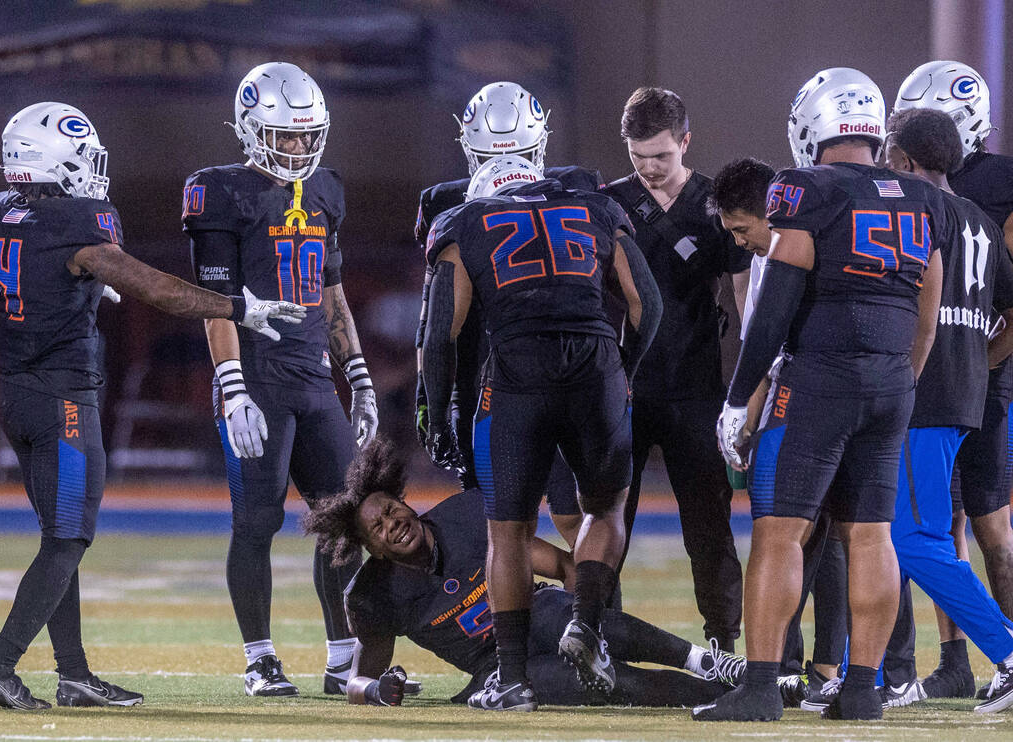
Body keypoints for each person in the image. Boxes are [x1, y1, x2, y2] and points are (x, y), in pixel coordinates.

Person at [0, 102, 305, 710]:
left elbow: (48, 265)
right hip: (63, 399)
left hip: (17, 394)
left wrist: (92, 280)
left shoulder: (0, 212)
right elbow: (155, 287)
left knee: (57, 538)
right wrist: (237, 307)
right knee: (68, 541)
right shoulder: (82, 220)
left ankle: (73, 675)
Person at [701, 67, 947, 722]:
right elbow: (928, 306)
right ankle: (863, 690)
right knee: (870, 535)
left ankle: (758, 687)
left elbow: (776, 302)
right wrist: (902, 377)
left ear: (812, 123)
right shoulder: (922, 198)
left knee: (778, 530)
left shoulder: (802, 189)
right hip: (892, 380)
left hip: (819, 380)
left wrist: (738, 395)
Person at [421, 155, 662, 711]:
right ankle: (585, 624)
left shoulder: (462, 223)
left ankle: (511, 678)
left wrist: (437, 415)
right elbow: (646, 302)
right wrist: (623, 367)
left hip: (515, 372)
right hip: (593, 361)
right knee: (604, 510)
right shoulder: (597, 208)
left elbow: (440, 336)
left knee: (506, 534)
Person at [183, 61, 379, 697]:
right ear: (250, 128)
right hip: (257, 377)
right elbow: (214, 302)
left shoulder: (327, 189)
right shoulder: (219, 190)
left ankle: (342, 652)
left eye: (305, 135)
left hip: (313, 379)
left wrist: (360, 375)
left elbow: (332, 292)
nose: (297, 147)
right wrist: (232, 387)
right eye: (284, 136)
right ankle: (260, 658)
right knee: (258, 522)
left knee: (346, 519)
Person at [303, 436, 747, 708]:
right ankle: (724, 697)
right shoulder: (371, 595)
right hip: (499, 669)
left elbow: (563, 566)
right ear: (370, 549)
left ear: (404, 499)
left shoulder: (466, 514)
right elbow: (357, 680)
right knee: (614, 684)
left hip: (539, 616)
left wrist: (592, 625)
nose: (392, 524)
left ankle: (711, 663)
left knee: (564, 616)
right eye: (376, 528)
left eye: (391, 509)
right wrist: (378, 692)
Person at [894, 61, 1013, 701]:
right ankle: (931, 664)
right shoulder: (951, 203)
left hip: (946, 385)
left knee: (950, 531)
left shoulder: (963, 197)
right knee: (932, 529)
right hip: (961, 381)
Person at [413, 82, 603, 548]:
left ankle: (590, 615)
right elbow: (436, 315)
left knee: (565, 514)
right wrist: (430, 395)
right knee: (496, 522)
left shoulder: (574, 187)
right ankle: (542, 616)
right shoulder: (445, 201)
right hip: (485, 368)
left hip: (550, 362)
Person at [601, 88, 751, 655]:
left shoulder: (717, 204)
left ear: (686, 142)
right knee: (607, 520)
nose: (649, 169)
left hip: (697, 389)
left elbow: (743, 302)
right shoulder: (608, 204)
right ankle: (597, 636)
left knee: (709, 526)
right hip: (624, 389)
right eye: (638, 157)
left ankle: (723, 645)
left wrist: (746, 392)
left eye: (661, 156)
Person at [709, 158, 850, 709]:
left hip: (809, 396)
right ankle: (829, 673)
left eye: (743, 229)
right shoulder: (787, 241)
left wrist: (744, 410)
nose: (741, 243)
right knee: (840, 535)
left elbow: (774, 348)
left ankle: (805, 669)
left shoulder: (795, 242)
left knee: (788, 532)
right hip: (835, 390)